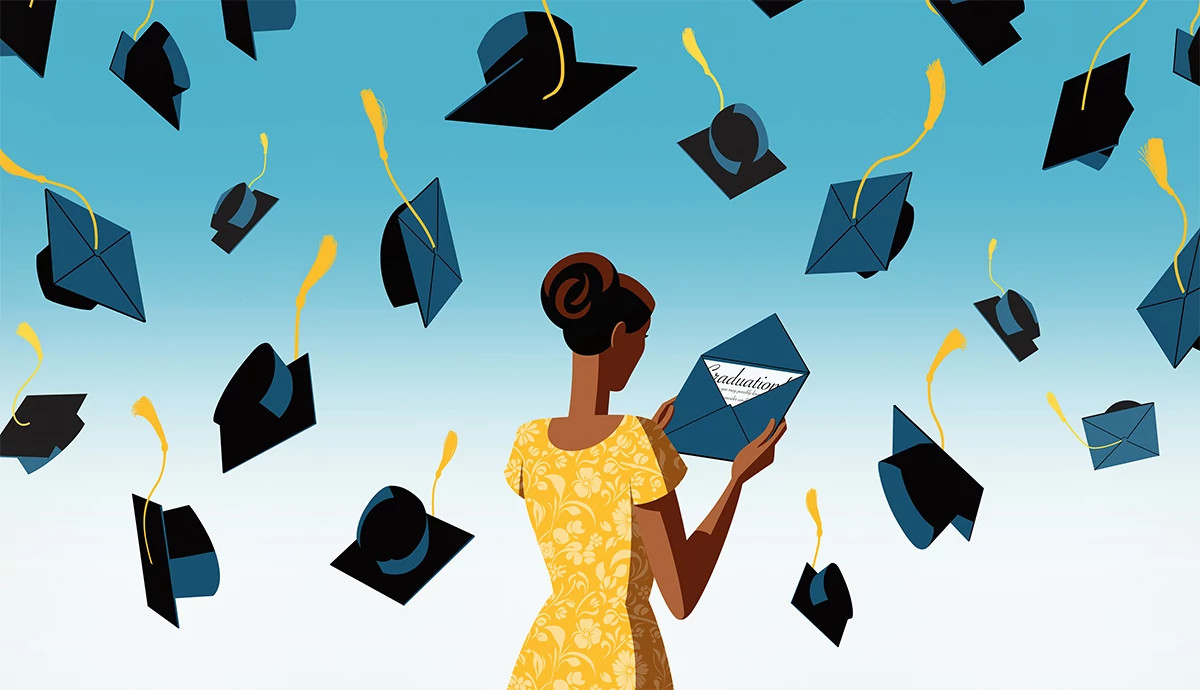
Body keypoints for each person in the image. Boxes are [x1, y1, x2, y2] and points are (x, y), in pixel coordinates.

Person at [505, 252, 788, 689]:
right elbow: (681, 594)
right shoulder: (637, 441)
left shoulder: (529, 441)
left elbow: (592, 491)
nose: (641, 350)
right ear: (619, 335)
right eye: (644, 336)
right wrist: (736, 481)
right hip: (620, 658)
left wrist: (646, 446)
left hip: (546, 658)